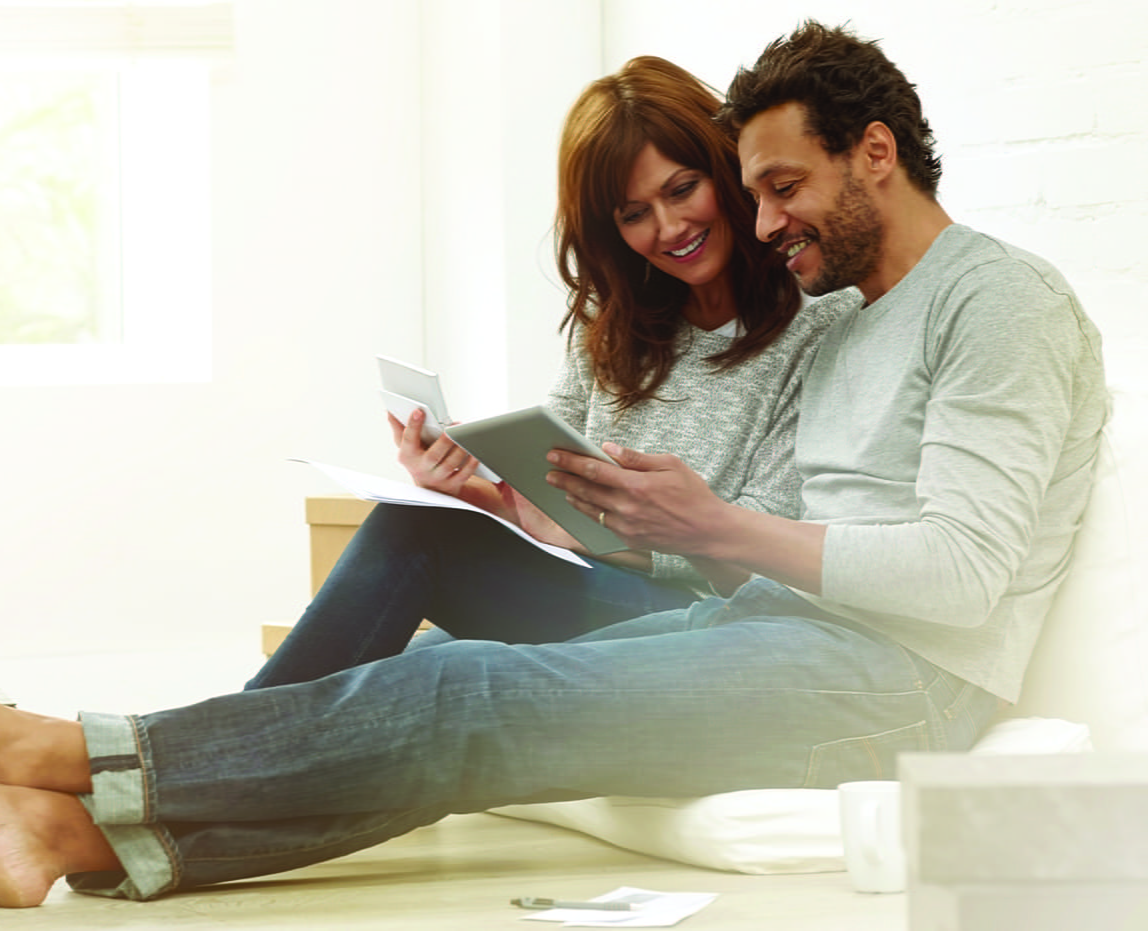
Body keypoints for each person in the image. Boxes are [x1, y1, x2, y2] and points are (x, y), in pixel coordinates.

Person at [0, 23, 1108, 909]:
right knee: (448, 670)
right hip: (795, 632)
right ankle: (66, 837)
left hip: (903, 687)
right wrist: (535, 503)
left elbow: (959, 575)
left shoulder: (995, 302)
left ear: (873, 154)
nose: (761, 221)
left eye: (778, 189)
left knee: (464, 698)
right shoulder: (867, 315)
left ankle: (53, 753)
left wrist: (717, 530)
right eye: (756, 191)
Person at [249, 54, 845, 688]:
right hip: (598, 586)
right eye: (633, 213)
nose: (670, 228)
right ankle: (199, 757)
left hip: (713, 619)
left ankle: (187, 758)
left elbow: (766, 547)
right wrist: (476, 492)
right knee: (408, 666)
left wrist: (592, 533)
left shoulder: (819, 324)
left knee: (417, 549)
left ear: (726, 171)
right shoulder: (614, 331)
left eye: (681, 189)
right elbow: (551, 510)